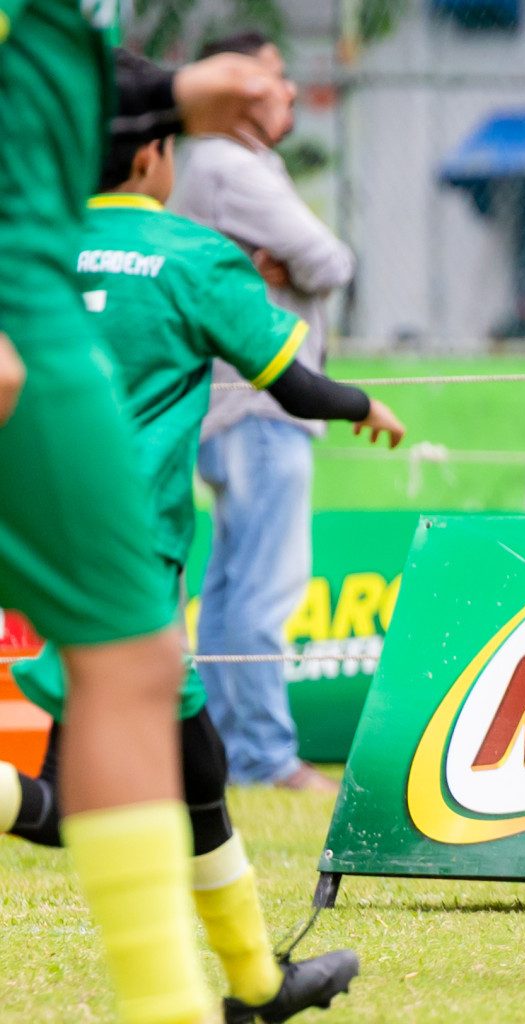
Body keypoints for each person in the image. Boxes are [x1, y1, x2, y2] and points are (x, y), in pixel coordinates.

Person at [2, 117, 406, 1018]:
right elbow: (292, 383)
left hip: (32, 523)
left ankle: (260, 982)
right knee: (112, 793)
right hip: (123, 548)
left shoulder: (28, 248)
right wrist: (364, 402)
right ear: (153, 158)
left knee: (183, 772)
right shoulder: (191, 255)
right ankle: (254, 984)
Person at [0, 4, 285, 1019]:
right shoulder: (187, 256)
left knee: (137, 669)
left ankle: (205, 996)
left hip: (38, 330)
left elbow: (50, 101)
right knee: (139, 677)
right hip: (19, 327)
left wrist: (173, 95)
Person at [170, 32, 358, 794]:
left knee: (228, 586)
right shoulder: (228, 164)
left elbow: (313, 259)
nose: (286, 92)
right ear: (237, 90)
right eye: (275, 79)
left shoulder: (221, 164)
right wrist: (298, 266)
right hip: (259, 404)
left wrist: (296, 263)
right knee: (263, 588)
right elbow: (333, 260)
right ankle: (261, 756)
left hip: (231, 405)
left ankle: (225, 751)